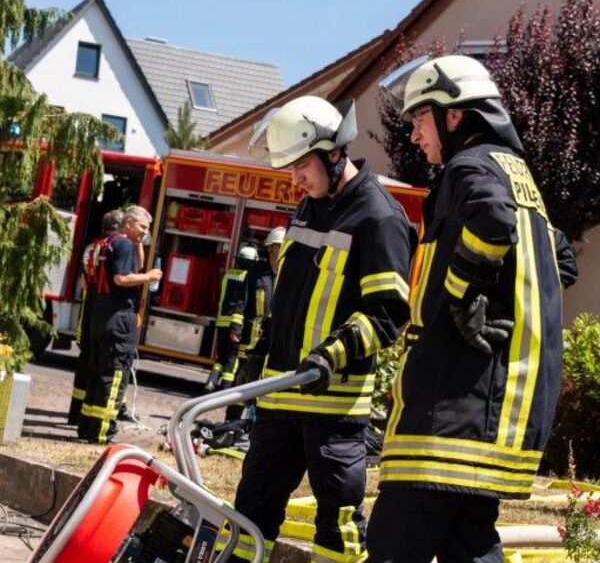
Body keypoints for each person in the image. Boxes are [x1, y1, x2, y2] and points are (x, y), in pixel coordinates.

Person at [367, 55, 577, 563]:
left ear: (453, 116)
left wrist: (462, 295)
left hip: (452, 407)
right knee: (469, 543)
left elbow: (491, 220)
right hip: (492, 409)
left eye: (420, 120)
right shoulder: (520, 178)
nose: (416, 137)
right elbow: (560, 263)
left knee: (395, 542)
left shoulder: (471, 166)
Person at [219, 95, 416, 563]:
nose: (295, 179)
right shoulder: (309, 207)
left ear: (333, 153)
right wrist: (258, 351)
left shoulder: (379, 216)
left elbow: (387, 313)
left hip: (334, 405)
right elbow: (292, 296)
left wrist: (329, 356)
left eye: (301, 166)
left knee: (339, 525)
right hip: (279, 398)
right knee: (250, 513)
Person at [78, 205, 162, 444]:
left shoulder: (109, 242)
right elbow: (122, 277)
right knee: (113, 376)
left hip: (101, 315)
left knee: (96, 374)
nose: (145, 232)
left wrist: (139, 243)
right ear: (129, 223)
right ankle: (103, 431)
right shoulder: (123, 244)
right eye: (142, 227)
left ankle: (88, 427)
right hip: (118, 318)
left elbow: (134, 265)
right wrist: (149, 277)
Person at [67, 209, 123, 426]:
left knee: (85, 361)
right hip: (99, 304)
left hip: (89, 303)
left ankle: (75, 413)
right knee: (93, 362)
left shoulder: (93, 246)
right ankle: (83, 414)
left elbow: (84, 279)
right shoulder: (112, 247)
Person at [225, 226, 286, 421]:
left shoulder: (288, 274)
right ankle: (231, 422)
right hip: (252, 337)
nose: (282, 249)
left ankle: (255, 426)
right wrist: (236, 327)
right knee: (243, 379)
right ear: (270, 248)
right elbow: (242, 301)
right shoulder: (256, 272)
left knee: (268, 383)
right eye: (279, 246)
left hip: (276, 337)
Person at [204, 245, 259, 393]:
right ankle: (225, 389)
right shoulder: (248, 279)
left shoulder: (227, 274)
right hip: (236, 323)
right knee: (231, 358)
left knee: (221, 356)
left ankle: (212, 380)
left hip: (221, 322)